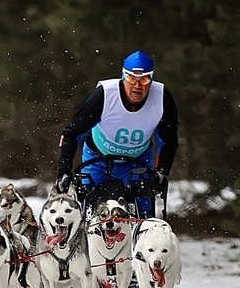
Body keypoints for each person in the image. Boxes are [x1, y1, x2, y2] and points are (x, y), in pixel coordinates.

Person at [54, 50, 179, 217]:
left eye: (143, 79)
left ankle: (140, 239)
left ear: (151, 79)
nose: (137, 86)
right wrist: (63, 171)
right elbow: (72, 133)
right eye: (131, 79)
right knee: (89, 211)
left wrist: (162, 170)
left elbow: (168, 141)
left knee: (142, 212)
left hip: (137, 160)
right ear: (123, 76)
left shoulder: (162, 98)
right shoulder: (105, 95)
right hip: (97, 158)